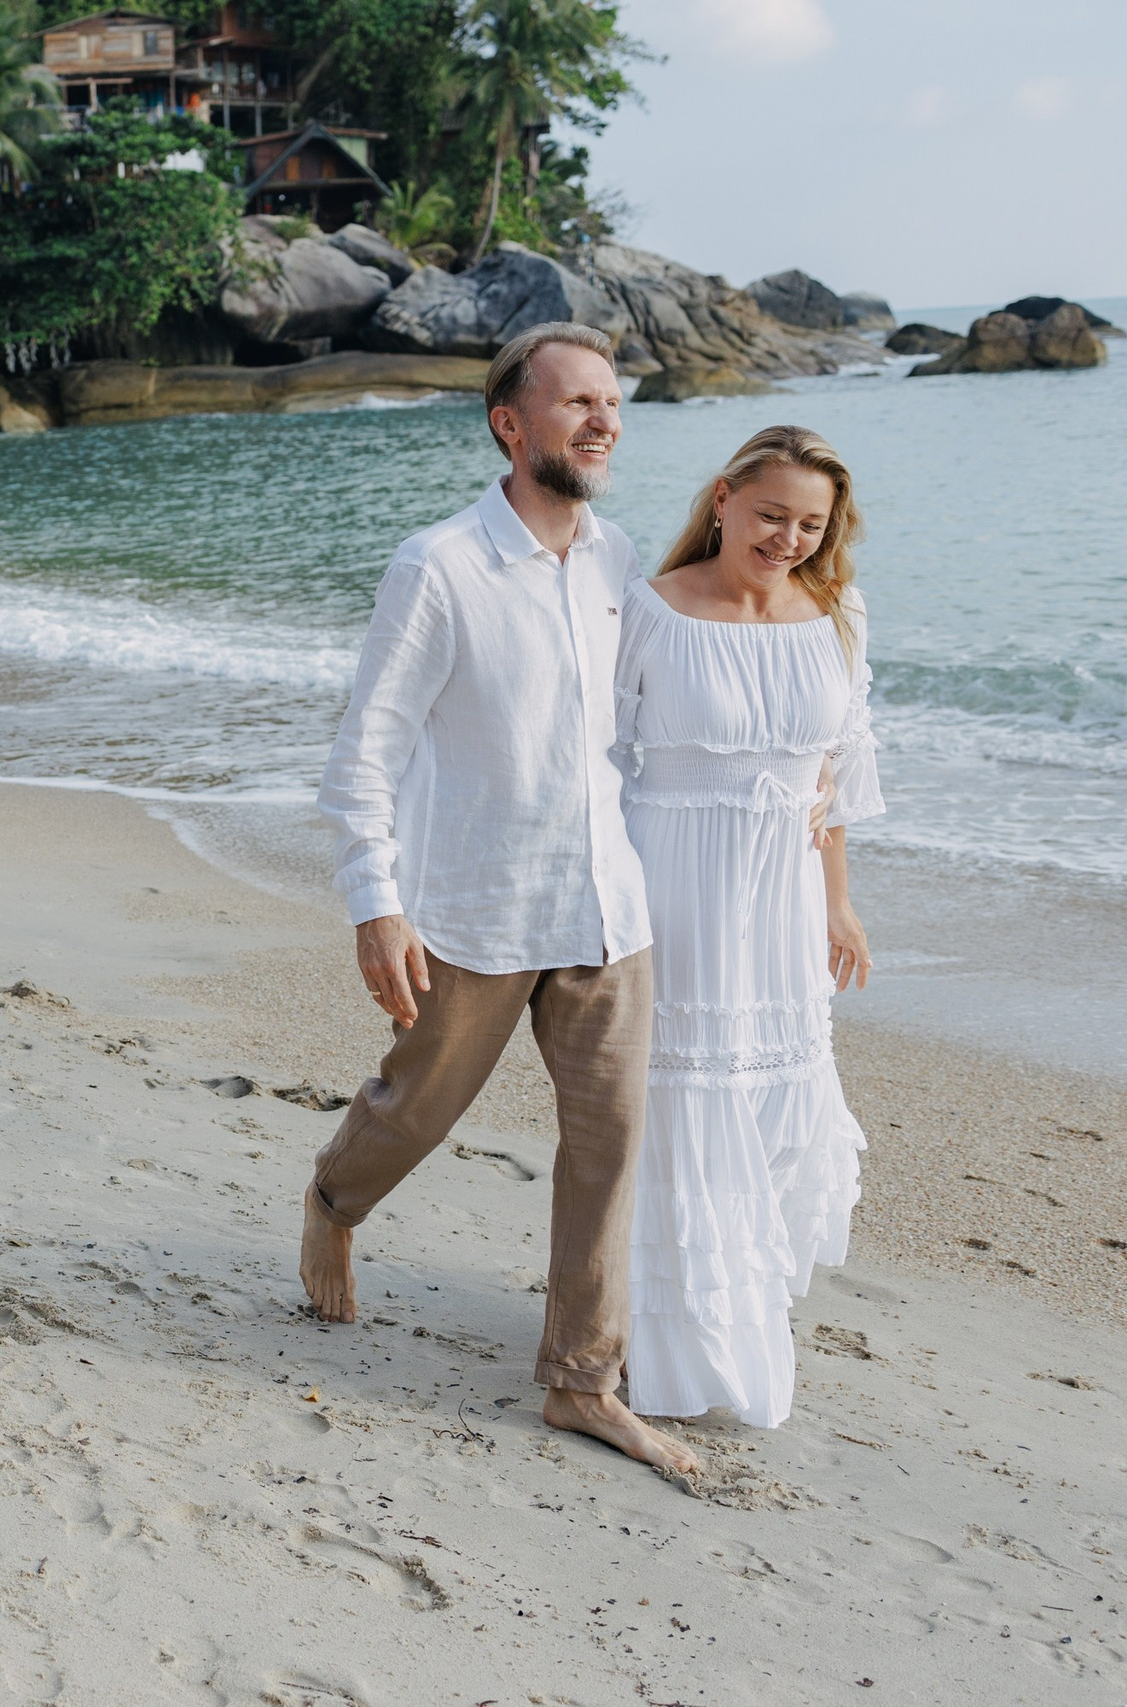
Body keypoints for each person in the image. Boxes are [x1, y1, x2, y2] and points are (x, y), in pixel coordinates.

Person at [304, 321, 699, 1475]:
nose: (601, 420)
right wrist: (375, 902)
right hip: (473, 904)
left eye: (612, 403)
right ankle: (331, 1203)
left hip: (605, 907)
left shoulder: (621, 562)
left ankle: (581, 1379)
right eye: (575, 401)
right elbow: (365, 750)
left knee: (612, 1141)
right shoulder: (440, 565)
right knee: (413, 1111)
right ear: (509, 423)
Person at [614, 426, 879, 1429]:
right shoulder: (649, 611)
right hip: (671, 881)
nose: (789, 539)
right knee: (679, 1104)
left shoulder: (836, 612)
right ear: (722, 498)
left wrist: (839, 903)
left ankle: (743, 1305)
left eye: (810, 524)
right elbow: (595, 763)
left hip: (782, 896)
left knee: (776, 1102)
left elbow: (838, 772)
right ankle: (662, 1334)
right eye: (772, 515)